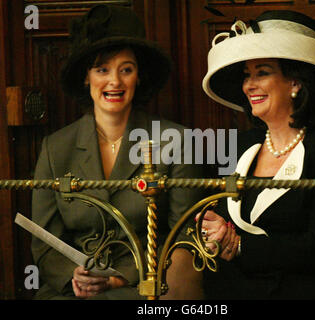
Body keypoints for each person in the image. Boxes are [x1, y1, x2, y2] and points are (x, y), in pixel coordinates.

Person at [31, 4, 205, 300]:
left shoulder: (177, 140)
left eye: (126, 69)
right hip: (70, 293)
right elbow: (43, 242)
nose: (115, 81)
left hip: (145, 287)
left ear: (139, 76)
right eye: (102, 69)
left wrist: (120, 277)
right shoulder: (55, 147)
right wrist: (71, 276)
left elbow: (185, 236)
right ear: (86, 77)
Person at [199, 10, 315, 299]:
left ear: (295, 83)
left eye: (262, 73)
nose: (249, 85)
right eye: (247, 75)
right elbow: (216, 217)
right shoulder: (238, 146)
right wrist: (212, 227)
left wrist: (241, 246)